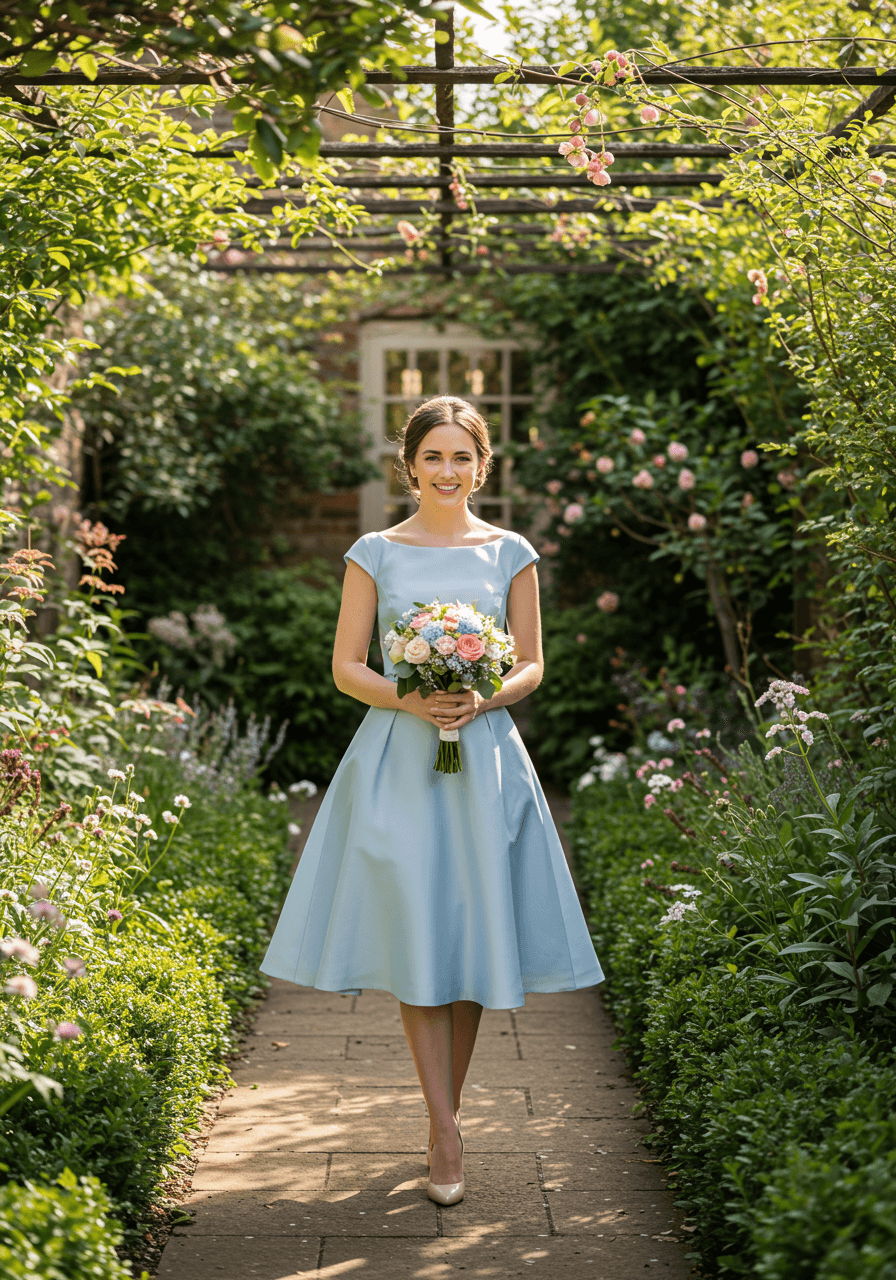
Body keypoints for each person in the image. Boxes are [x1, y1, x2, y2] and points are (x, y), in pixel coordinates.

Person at [260, 395, 605, 1206]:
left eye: (462, 458)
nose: (447, 471)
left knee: (473, 933)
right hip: (399, 757)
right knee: (421, 929)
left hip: (484, 757)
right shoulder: (375, 552)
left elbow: (531, 666)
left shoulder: (510, 552)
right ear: (409, 465)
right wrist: (412, 700)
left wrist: (483, 698)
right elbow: (347, 666)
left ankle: (445, 1109)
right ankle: (444, 1125)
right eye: (433, 457)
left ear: (482, 466)